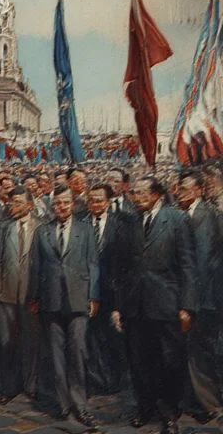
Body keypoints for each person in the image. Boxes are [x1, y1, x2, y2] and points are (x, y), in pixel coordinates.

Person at [113, 177, 197, 434]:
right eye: (134, 193)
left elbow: (187, 265)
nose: (136, 198)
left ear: (156, 194)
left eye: (141, 193)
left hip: (167, 304)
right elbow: (121, 268)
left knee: (170, 361)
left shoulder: (177, 219)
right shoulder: (129, 222)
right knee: (139, 361)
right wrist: (118, 306)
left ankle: (169, 412)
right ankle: (145, 407)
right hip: (135, 305)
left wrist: (187, 305)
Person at [28, 184, 99, 427]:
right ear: (52, 205)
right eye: (58, 203)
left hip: (78, 299)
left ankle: (80, 404)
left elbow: (93, 264)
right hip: (51, 300)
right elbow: (36, 266)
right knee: (56, 355)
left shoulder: (85, 230)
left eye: (66, 202)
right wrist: (34, 297)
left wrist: (94, 296)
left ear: (73, 203)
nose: (62, 207)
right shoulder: (42, 231)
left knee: (78, 352)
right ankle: (63, 403)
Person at [176, 170, 223, 425]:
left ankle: (210, 405)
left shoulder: (204, 215)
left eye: (185, 188)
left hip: (203, 299)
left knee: (201, 353)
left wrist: (190, 303)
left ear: (199, 190)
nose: (179, 192)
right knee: (191, 351)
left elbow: (202, 263)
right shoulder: (186, 213)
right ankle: (193, 402)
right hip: (193, 296)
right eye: (178, 187)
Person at [0, 186, 40, 404]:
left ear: (29, 205)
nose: (13, 207)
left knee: (31, 341)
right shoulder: (3, 227)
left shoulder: (41, 227)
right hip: (6, 294)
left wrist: (39, 295)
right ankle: (9, 386)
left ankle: (31, 385)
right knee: (7, 342)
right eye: (11, 203)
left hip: (31, 295)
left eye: (18, 203)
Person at [84, 183, 126, 396]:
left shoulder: (119, 225)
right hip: (87, 291)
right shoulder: (81, 223)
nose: (95, 204)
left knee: (111, 338)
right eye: (91, 200)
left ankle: (114, 380)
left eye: (99, 200)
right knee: (89, 337)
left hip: (111, 292)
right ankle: (94, 379)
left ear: (108, 202)